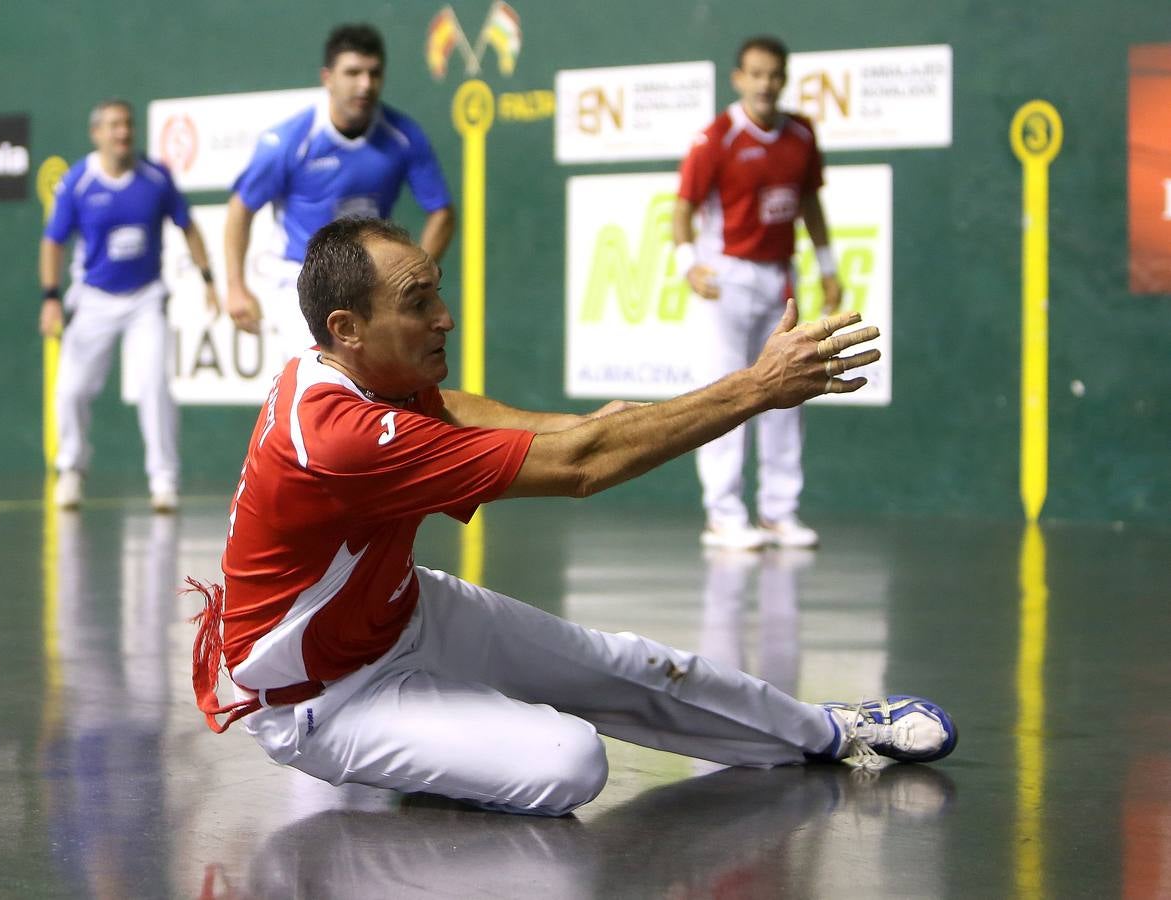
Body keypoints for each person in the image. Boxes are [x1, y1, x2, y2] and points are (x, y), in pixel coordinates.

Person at [188, 217, 956, 818]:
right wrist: (754, 388)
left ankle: (828, 732)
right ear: (347, 327)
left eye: (437, 293)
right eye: (418, 305)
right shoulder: (339, 440)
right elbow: (581, 469)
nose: (444, 318)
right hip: (323, 698)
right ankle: (432, 766)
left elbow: (455, 410)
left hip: (399, 611)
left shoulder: (343, 369)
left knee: (621, 663)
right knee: (569, 763)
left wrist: (570, 421)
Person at [673, 34, 843, 551]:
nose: (766, 84)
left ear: (784, 78)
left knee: (789, 391)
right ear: (739, 79)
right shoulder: (716, 138)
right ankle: (723, 516)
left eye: (774, 75)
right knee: (729, 390)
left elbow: (809, 204)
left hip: (779, 278)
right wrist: (689, 265)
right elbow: (682, 209)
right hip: (726, 278)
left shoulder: (801, 136)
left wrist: (828, 265)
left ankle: (778, 513)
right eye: (756, 74)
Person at [223, 22, 454, 362]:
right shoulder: (291, 140)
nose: (365, 85)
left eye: (374, 73)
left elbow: (443, 213)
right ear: (328, 78)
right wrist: (235, 287)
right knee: (325, 371)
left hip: (371, 283)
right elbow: (240, 209)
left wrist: (412, 278)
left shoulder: (403, 136)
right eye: (353, 73)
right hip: (298, 279)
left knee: (388, 380)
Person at [39, 99, 218, 512]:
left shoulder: (156, 178)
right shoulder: (78, 182)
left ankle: (163, 480)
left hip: (145, 298)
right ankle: (71, 468)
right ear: (96, 133)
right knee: (69, 391)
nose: (123, 132)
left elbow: (188, 227)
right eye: (114, 126)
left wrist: (208, 279)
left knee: (154, 385)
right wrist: (50, 298)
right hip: (94, 299)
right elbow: (53, 242)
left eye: (128, 125)